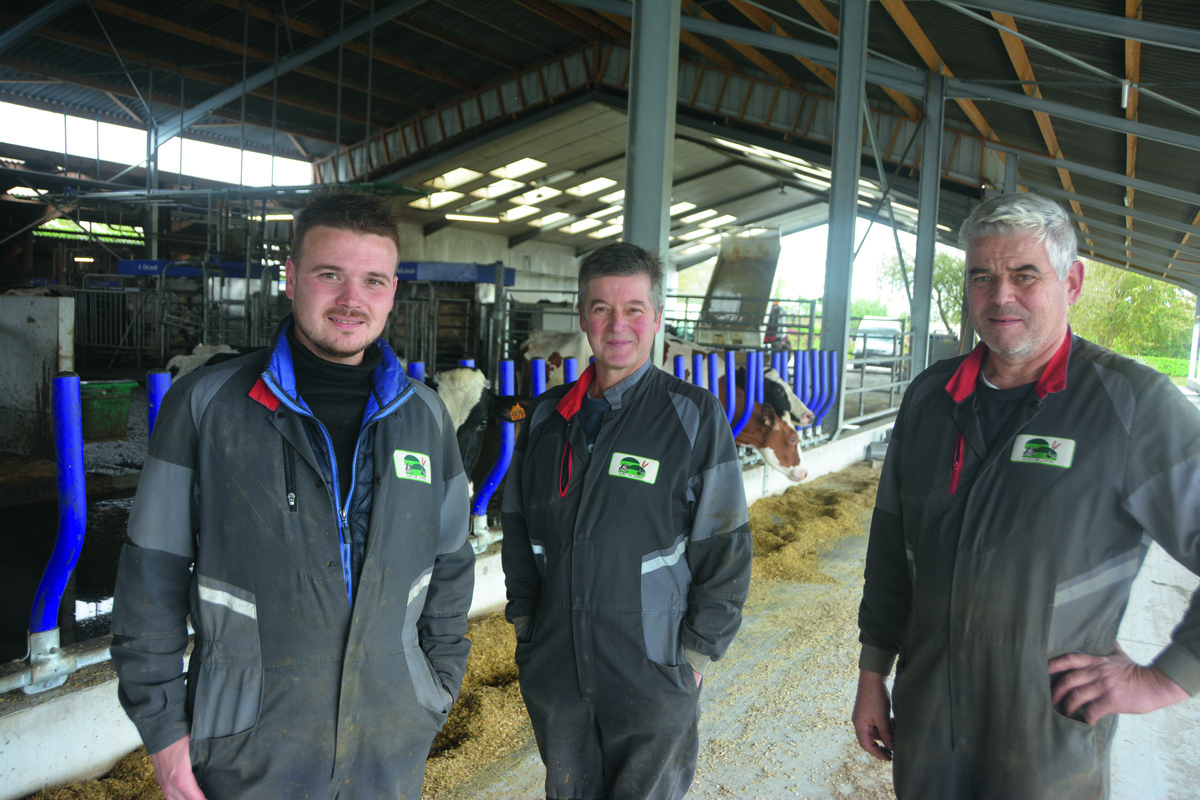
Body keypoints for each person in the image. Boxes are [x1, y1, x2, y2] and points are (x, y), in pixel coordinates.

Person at [111, 190, 475, 800]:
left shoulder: (427, 417)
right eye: (330, 274)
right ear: (291, 278)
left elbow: (452, 560)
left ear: (392, 292)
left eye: (373, 280)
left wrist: (434, 686)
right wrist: (166, 739)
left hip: (389, 747)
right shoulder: (207, 407)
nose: (351, 300)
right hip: (247, 751)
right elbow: (152, 574)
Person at [852, 192, 1200, 799]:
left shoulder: (1131, 407)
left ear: (1073, 281)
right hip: (929, 722)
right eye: (982, 277)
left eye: (1024, 275)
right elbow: (890, 549)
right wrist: (872, 671)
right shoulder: (931, 398)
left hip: (1046, 739)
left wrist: (1166, 679)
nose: (1000, 295)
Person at [501, 242, 753, 800]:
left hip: (653, 672)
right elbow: (517, 532)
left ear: (657, 318)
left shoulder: (691, 415)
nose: (618, 326)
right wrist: (527, 631)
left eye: (634, 309)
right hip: (558, 673)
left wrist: (693, 657)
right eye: (601, 308)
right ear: (582, 316)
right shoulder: (546, 416)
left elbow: (726, 545)